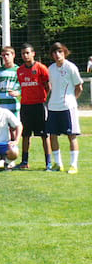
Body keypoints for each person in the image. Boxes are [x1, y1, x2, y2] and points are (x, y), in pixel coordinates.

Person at [46, 42, 83, 174]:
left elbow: (79, 87)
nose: (57, 55)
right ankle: (58, 164)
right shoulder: (50, 69)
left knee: (71, 135)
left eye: (60, 52)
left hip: (68, 108)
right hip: (53, 107)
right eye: (55, 52)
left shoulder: (71, 67)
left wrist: (72, 100)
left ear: (64, 52)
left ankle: (73, 165)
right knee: (52, 135)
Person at [17, 42, 51, 169]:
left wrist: (43, 99)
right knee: (25, 135)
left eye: (27, 53)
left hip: (39, 106)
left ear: (33, 53)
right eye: (23, 53)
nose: (25, 55)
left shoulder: (41, 68)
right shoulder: (19, 71)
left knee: (43, 135)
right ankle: (24, 162)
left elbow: (48, 86)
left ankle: (48, 162)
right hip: (25, 106)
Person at [0, 46, 21, 117]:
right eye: (3, 55)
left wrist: (18, 92)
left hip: (14, 105)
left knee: (14, 127)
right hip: (0, 106)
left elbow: (23, 87)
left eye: (7, 54)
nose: (5, 57)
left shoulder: (19, 70)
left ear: (13, 55)